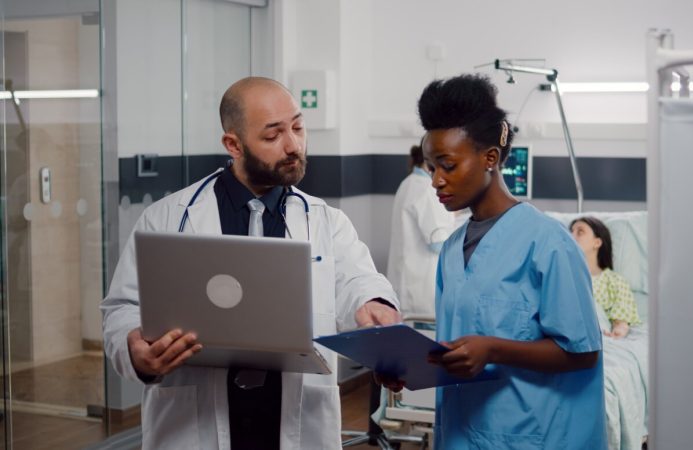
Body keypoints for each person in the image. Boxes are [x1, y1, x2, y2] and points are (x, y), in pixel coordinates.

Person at [101, 77, 400, 450]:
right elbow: (123, 309)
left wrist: (374, 305)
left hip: (295, 422)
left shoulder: (326, 222)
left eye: (298, 127)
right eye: (273, 135)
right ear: (233, 144)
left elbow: (358, 281)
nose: (293, 145)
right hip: (194, 426)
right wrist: (136, 353)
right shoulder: (167, 218)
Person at [416, 74, 607, 449]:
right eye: (430, 167)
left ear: (490, 159)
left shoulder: (548, 243)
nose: (436, 181)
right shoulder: (453, 250)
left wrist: (494, 348)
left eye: (447, 165)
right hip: (460, 432)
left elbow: (583, 352)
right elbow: (458, 348)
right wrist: (408, 368)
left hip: (530, 434)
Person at [386, 143, 456, 319]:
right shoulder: (426, 189)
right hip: (421, 295)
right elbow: (439, 244)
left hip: (406, 289)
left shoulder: (408, 183)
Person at [570, 216, 640, 338]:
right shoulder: (559, 274)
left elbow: (621, 321)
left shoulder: (614, 281)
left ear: (597, 242)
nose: (571, 236)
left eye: (580, 232)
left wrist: (618, 331)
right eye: (570, 231)